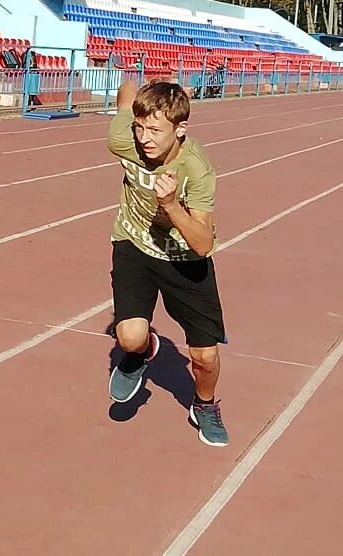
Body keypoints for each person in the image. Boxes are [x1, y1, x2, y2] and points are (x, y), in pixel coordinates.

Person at [106, 78, 229, 447]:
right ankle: (143, 352)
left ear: (180, 129)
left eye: (156, 130)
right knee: (129, 338)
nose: (145, 137)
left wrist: (172, 204)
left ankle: (203, 405)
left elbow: (204, 243)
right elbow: (127, 92)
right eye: (141, 126)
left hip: (185, 259)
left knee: (204, 358)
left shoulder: (197, 169)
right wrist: (140, 89)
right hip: (134, 243)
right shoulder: (124, 138)